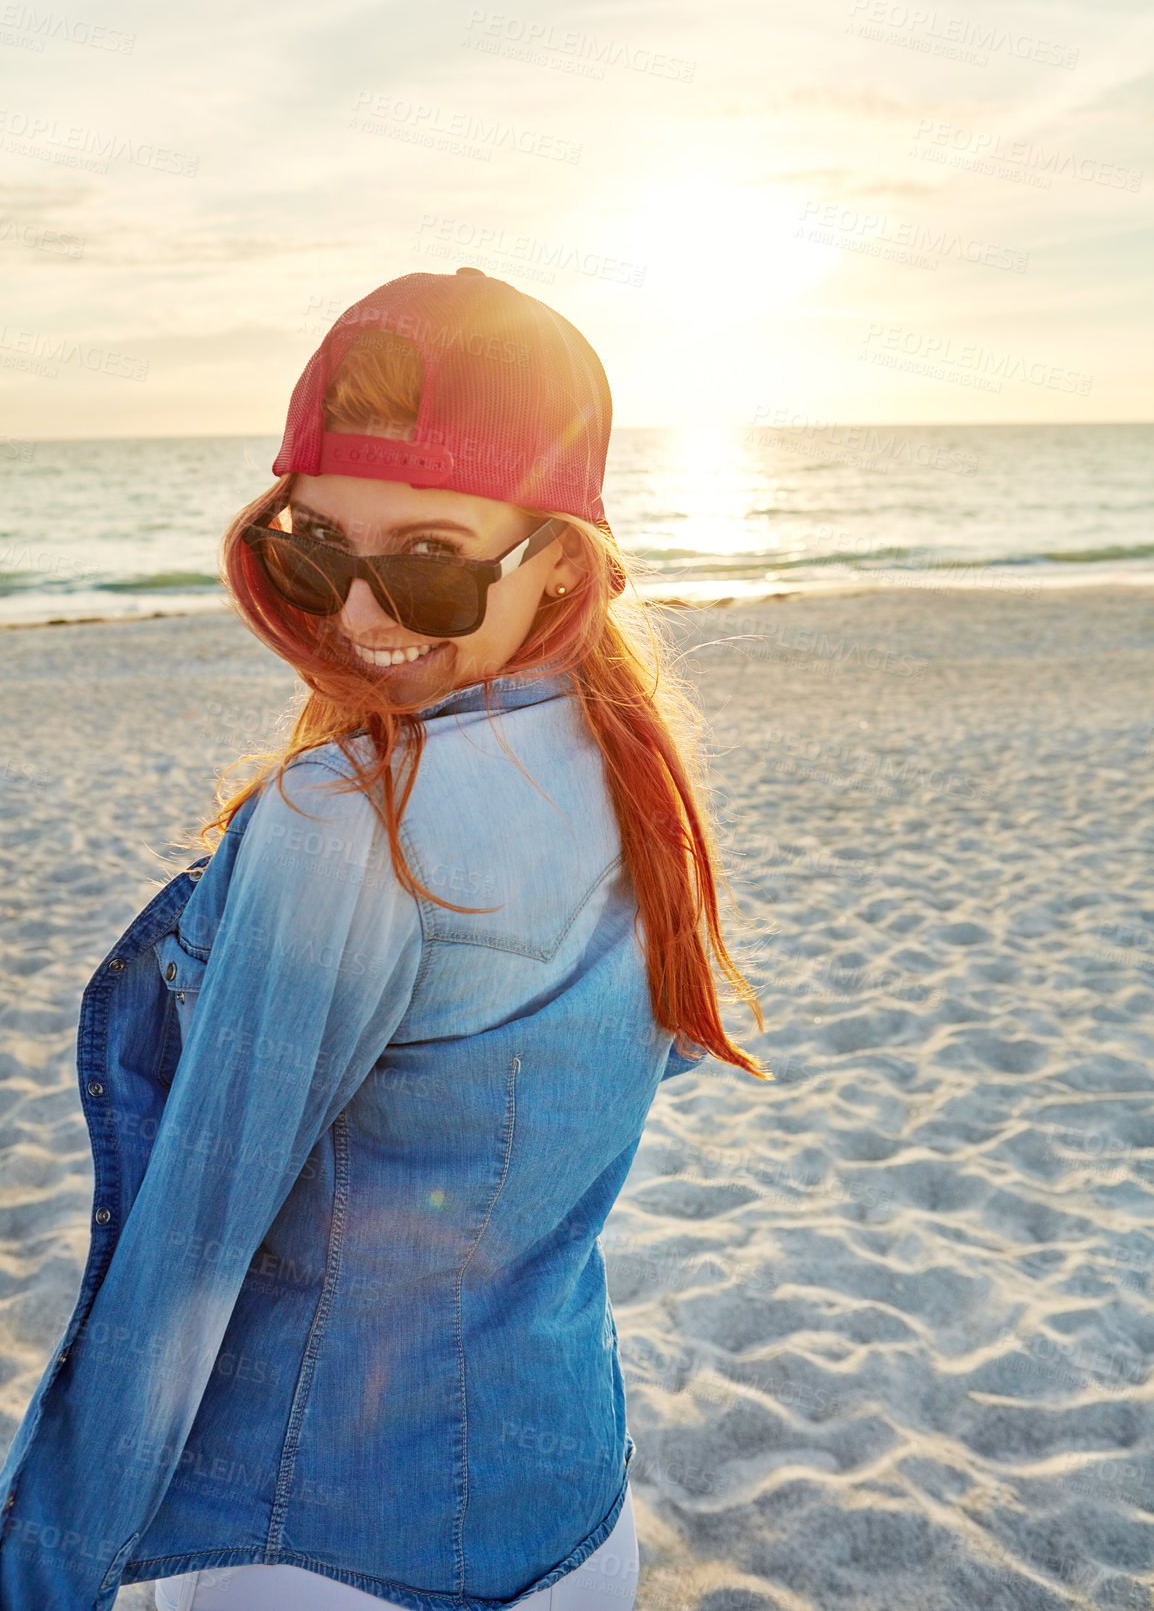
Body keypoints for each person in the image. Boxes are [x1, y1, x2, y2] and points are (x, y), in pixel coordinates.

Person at [0, 269, 769, 1611]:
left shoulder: (347, 820)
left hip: (317, 1549)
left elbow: (182, 1261)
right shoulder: (632, 769)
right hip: (570, 1516)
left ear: (560, 567)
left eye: (428, 564)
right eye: (314, 548)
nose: (358, 617)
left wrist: (41, 1571)